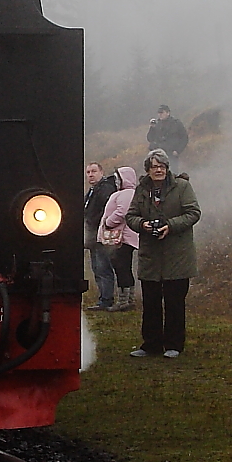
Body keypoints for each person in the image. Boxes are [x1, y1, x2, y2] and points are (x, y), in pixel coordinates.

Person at [125, 149, 200, 358]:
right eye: (154, 166)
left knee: (175, 302)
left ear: (167, 169)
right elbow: (130, 216)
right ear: (147, 170)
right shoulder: (141, 189)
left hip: (178, 256)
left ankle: (174, 345)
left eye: (162, 166)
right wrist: (143, 224)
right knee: (150, 303)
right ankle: (150, 344)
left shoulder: (182, 186)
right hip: (151, 256)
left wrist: (171, 226)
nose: (158, 170)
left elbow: (194, 213)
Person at [99, 166, 140, 311]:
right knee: (124, 268)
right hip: (124, 237)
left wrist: (108, 223)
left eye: (118, 179)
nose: (116, 182)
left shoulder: (126, 193)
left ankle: (124, 302)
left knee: (121, 268)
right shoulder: (128, 193)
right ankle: (128, 299)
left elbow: (122, 212)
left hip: (122, 238)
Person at [83, 162, 118, 311]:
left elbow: (106, 210)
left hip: (101, 234)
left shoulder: (105, 189)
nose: (90, 175)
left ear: (101, 172)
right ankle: (103, 298)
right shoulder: (93, 190)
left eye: (93, 171)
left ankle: (107, 299)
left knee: (103, 268)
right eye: (88, 172)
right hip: (93, 235)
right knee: (97, 268)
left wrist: (93, 222)